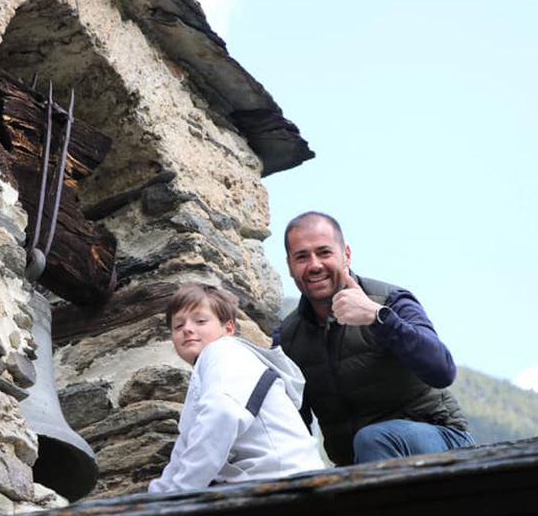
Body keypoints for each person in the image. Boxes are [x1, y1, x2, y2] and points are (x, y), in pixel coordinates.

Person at [275, 211, 474, 466]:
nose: (314, 265)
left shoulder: (390, 301)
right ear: (290, 265)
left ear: (345, 255)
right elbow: (292, 429)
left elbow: (443, 371)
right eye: (302, 256)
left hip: (443, 441)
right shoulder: (288, 339)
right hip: (357, 467)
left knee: (373, 439)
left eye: (324, 252)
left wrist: (378, 317)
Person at [147, 284, 323, 493]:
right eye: (178, 326)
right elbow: (185, 451)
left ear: (228, 328)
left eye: (200, 321)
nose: (187, 329)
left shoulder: (224, 351)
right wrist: (157, 498)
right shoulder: (208, 375)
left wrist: (174, 496)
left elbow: (222, 414)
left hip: (284, 486)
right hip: (273, 486)